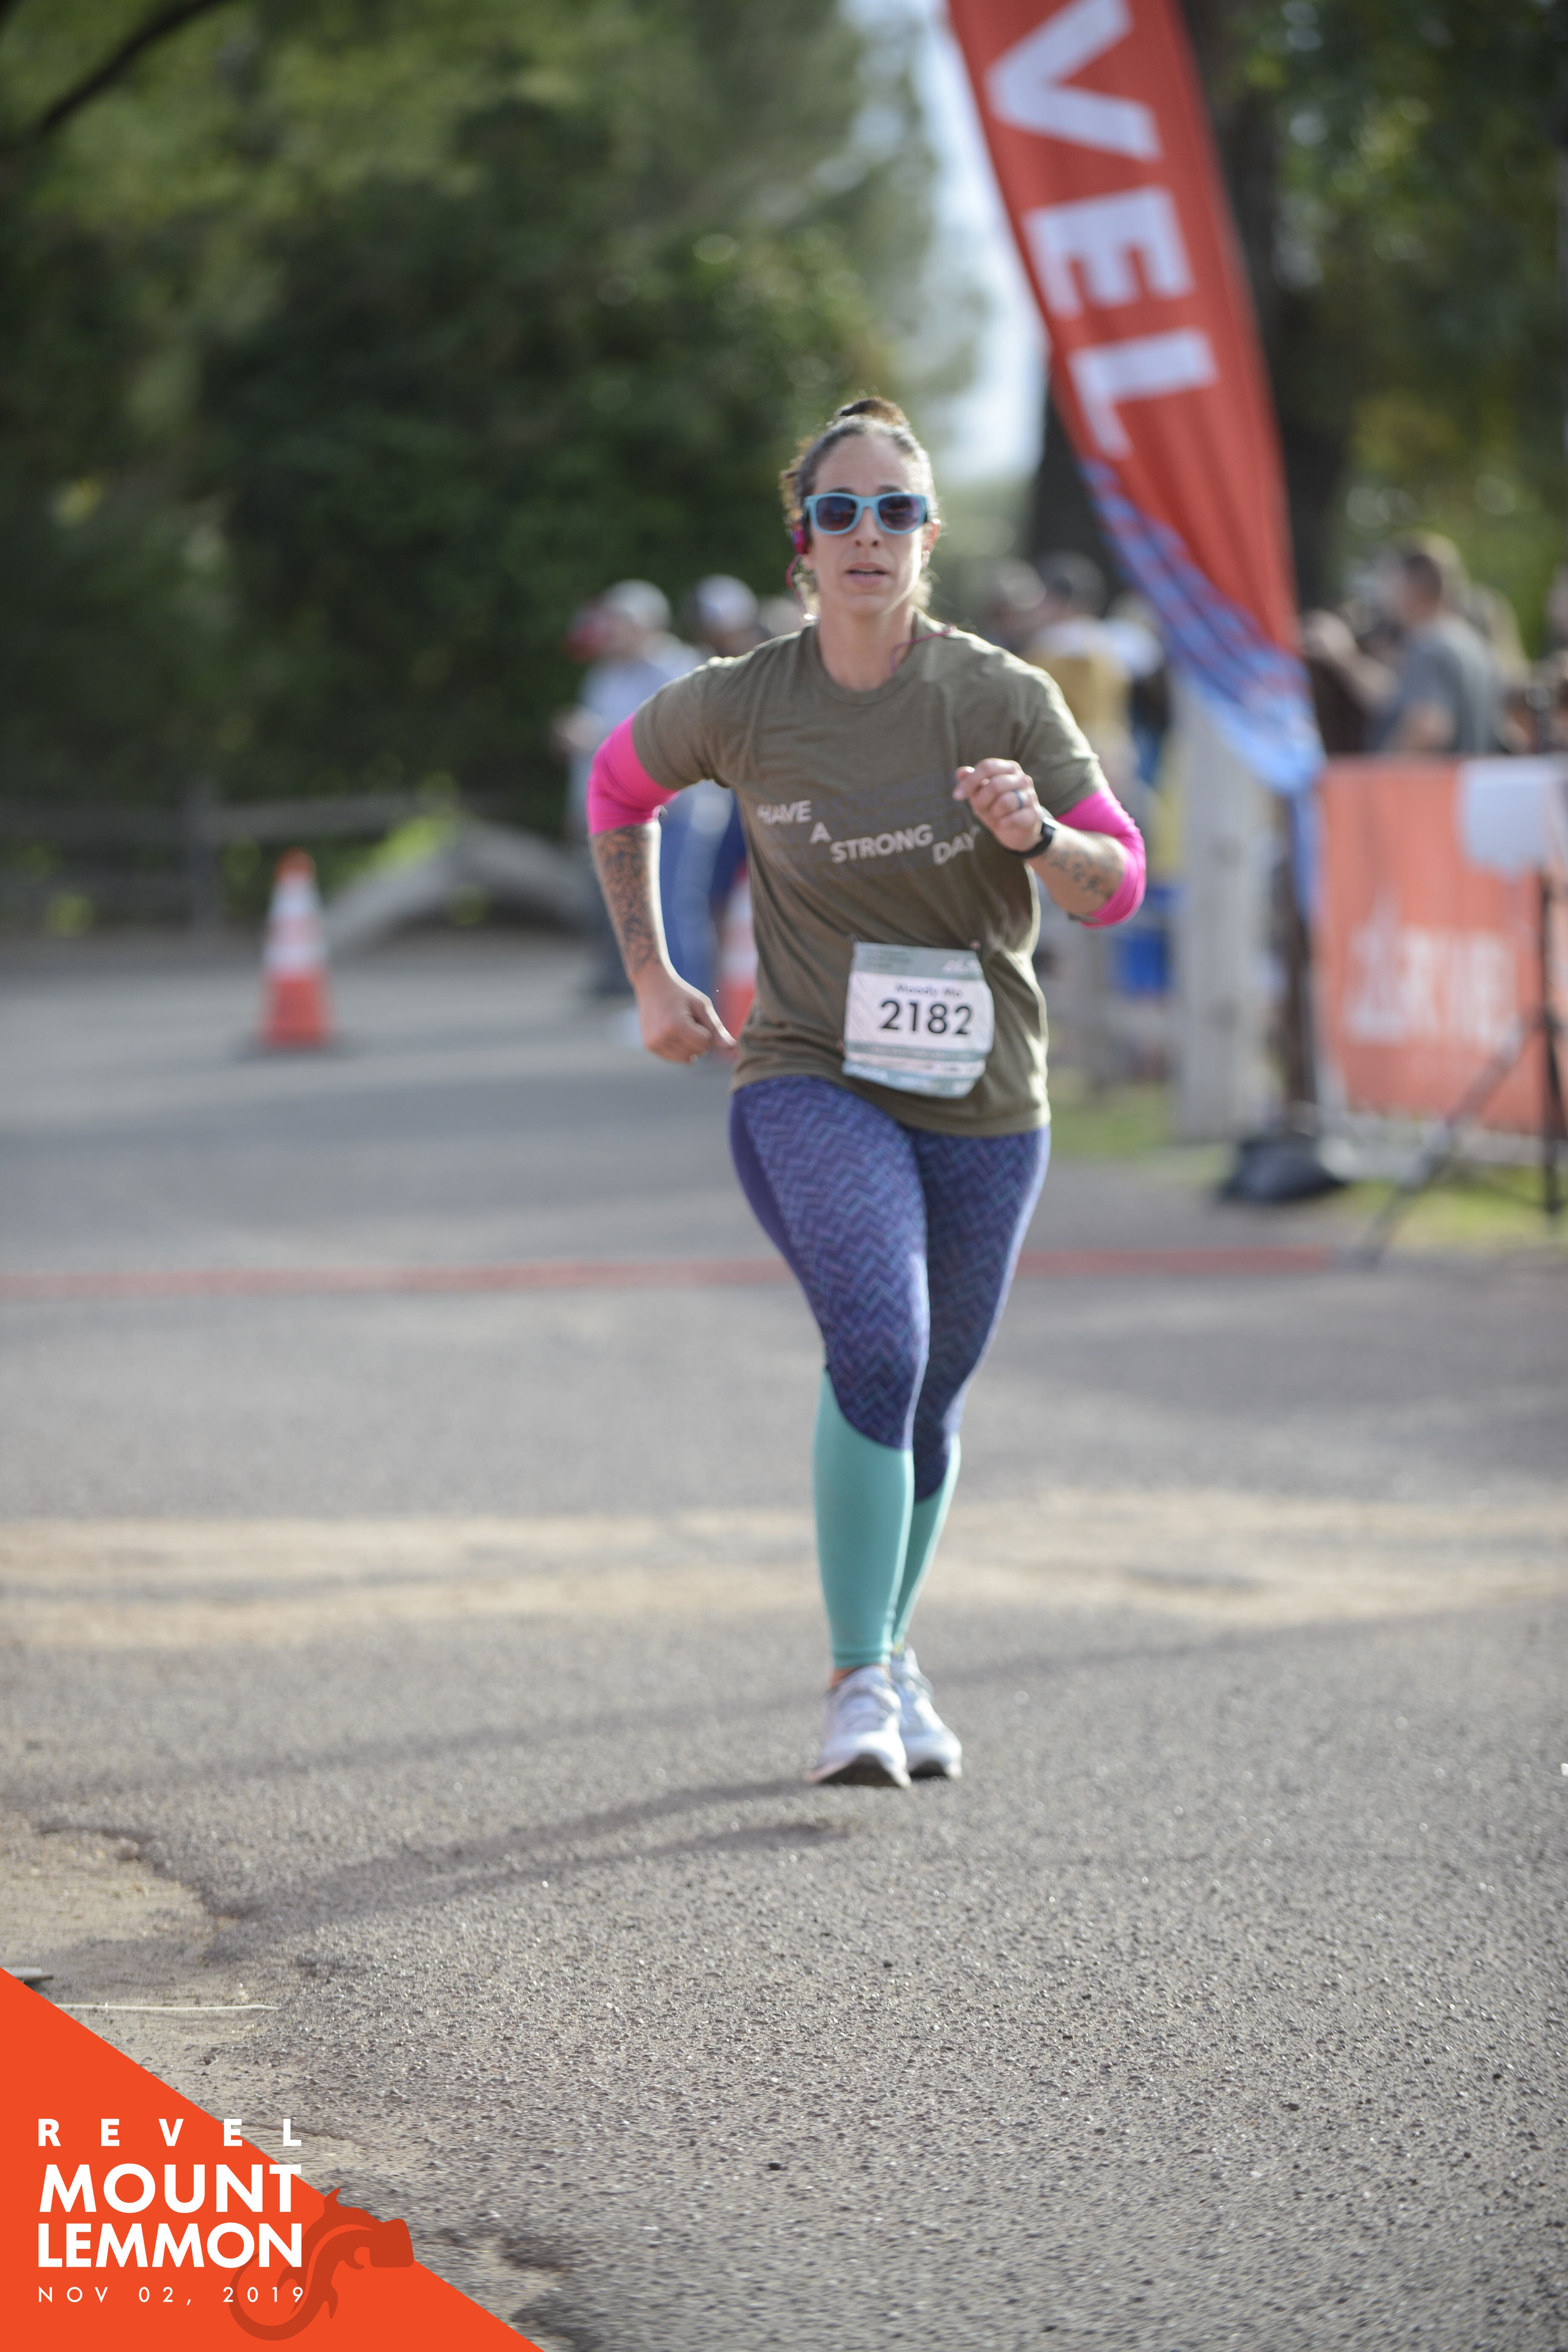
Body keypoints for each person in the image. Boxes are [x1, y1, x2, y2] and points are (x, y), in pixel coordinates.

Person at [586, 397, 1145, 1786]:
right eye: (839, 510)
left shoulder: (999, 695)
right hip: (809, 1076)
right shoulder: (742, 701)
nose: (867, 533)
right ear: (804, 541)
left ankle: (893, 1656)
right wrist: (651, 976)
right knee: (882, 1351)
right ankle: (854, 1685)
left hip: (986, 1098)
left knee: (933, 1396)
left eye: (896, 510)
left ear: (929, 539)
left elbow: (1118, 883)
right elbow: (616, 788)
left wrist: (1037, 835)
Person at [553, 579, 699, 995]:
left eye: (618, 621)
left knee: (670, 912)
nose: (609, 630)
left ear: (647, 623)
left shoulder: (678, 669)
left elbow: (671, 740)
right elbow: (592, 755)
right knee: (625, 910)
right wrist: (579, 808)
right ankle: (643, 999)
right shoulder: (606, 674)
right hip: (617, 814)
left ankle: (686, 1000)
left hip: (670, 812)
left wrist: (596, 737)